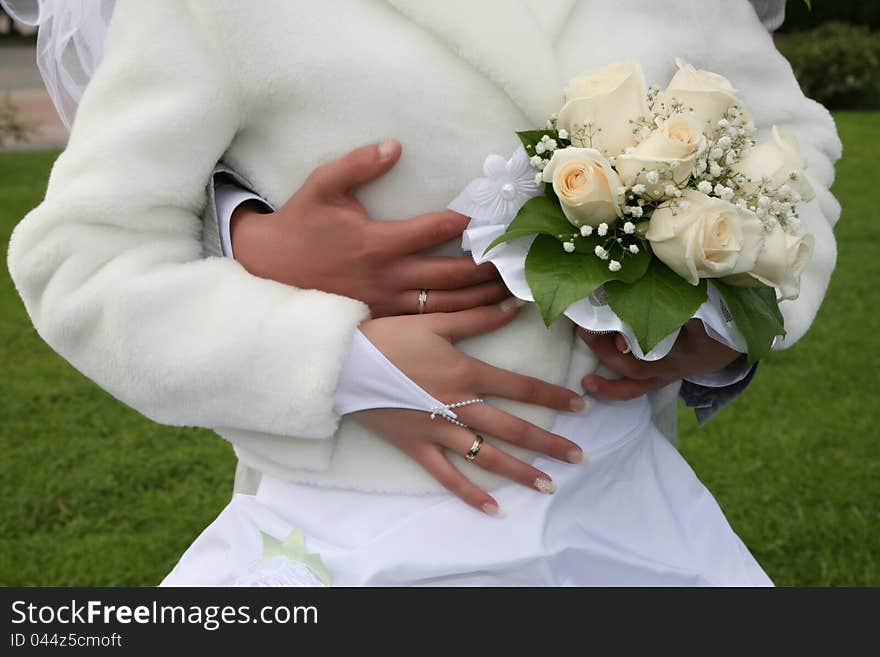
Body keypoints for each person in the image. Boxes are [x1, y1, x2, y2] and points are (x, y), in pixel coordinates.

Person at [5, 0, 841, 585]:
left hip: (631, 507)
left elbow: (790, 141)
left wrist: (721, 320)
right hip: (362, 530)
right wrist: (338, 362)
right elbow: (80, 257)